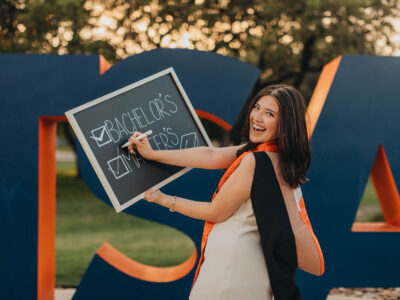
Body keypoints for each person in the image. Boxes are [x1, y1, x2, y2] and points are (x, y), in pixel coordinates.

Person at [128, 84, 324, 300]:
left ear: (285, 124)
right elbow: (209, 155)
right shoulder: (279, 159)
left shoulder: (254, 161)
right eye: (257, 107)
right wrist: (153, 154)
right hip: (253, 268)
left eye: (269, 114)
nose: (257, 117)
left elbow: (216, 212)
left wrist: (163, 199)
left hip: (232, 269)